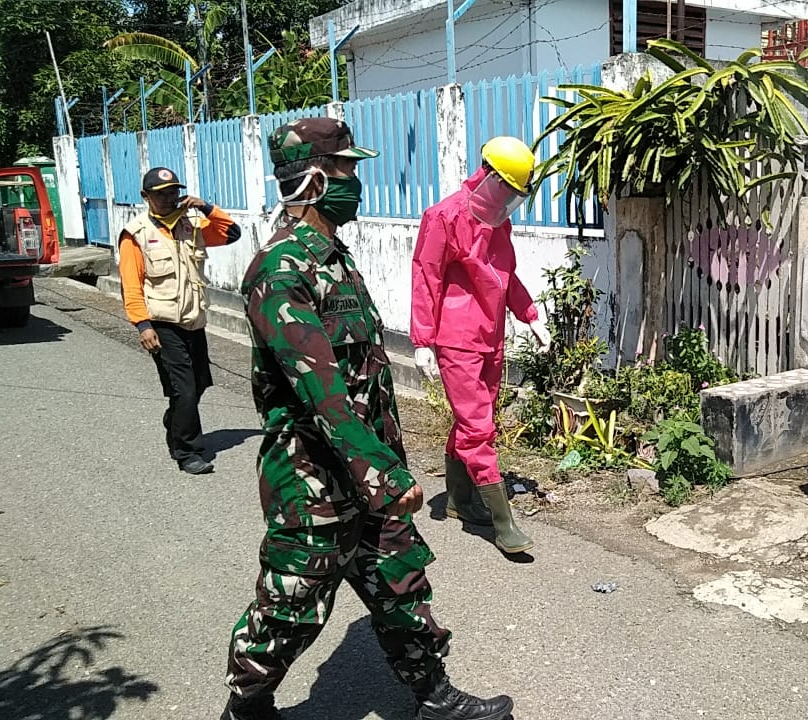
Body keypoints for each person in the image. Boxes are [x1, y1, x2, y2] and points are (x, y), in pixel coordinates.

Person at [221, 117, 513, 720]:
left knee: (402, 582)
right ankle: (246, 707)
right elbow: (321, 390)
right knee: (291, 603)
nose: (356, 181)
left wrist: (384, 465)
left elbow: (366, 380)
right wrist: (381, 473)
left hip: (370, 469)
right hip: (314, 479)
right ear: (310, 180)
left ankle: (433, 695)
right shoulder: (281, 270)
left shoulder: (336, 259)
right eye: (345, 169)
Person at [410, 136, 550, 555]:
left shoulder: (497, 222)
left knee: (475, 420)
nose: (508, 199)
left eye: (515, 194)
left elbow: (506, 276)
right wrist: (423, 340)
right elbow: (426, 276)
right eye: (506, 188)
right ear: (488, 177)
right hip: (456, 340)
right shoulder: (444, 216)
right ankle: (503, 525)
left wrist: (530, 315)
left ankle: (458, 500)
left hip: (491, 338)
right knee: (478, 427)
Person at [117, 167, 241, 475]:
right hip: (161, 323)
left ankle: (175, 420)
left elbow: (231, 233)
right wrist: (142, 325)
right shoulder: (136, 234)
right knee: (183, 389)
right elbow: (130, 284)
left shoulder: (191, 225)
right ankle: (186, 450)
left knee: (199, 384)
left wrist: (206, 207)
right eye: (162, 194)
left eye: (174, 192)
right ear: (146, 197)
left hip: (193, 320)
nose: (170, 198)